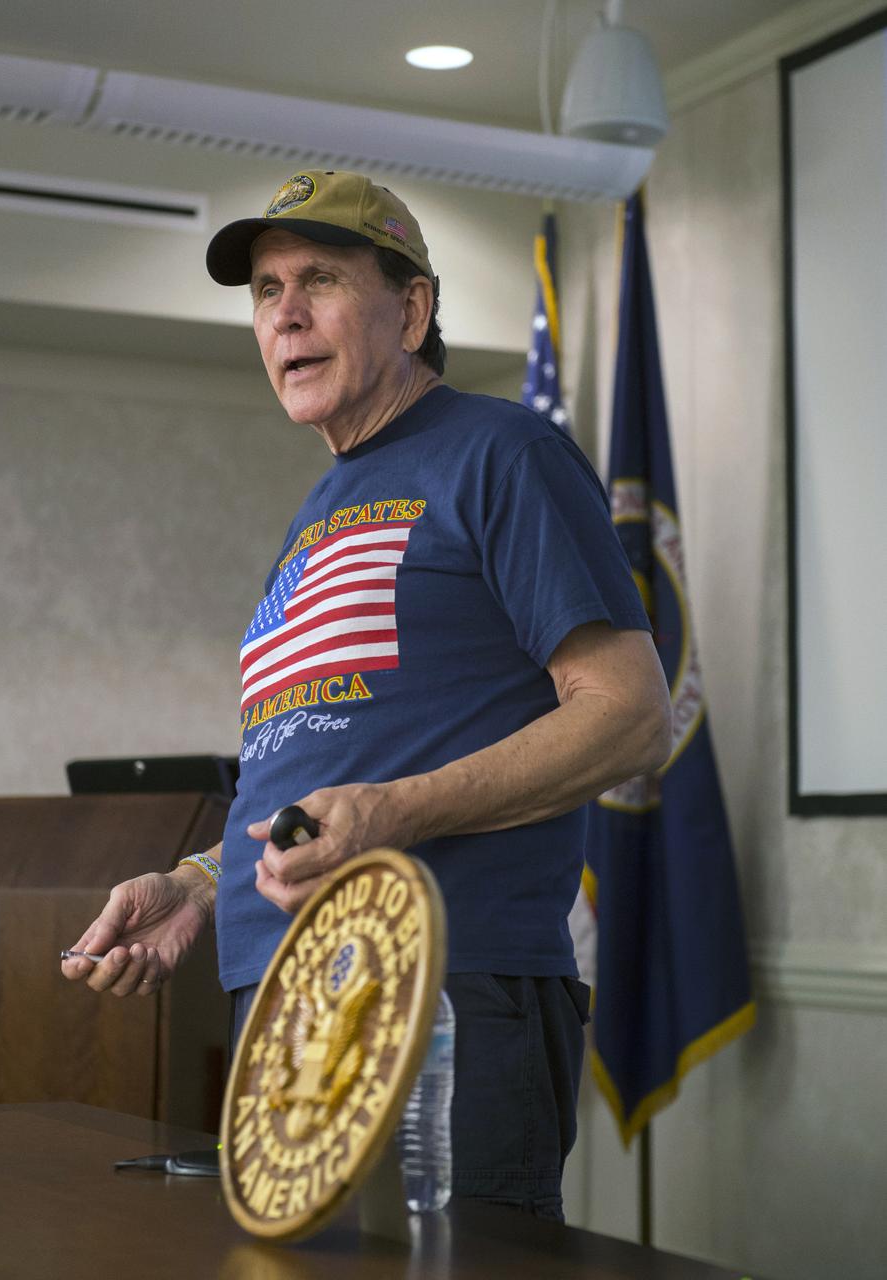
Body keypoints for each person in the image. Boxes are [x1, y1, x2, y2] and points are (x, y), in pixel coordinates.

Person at [63, 170, 671, 1218]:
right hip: (284, 1004)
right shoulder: (315, 514)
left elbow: (630, 714)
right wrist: (201, 883)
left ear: (413, 309)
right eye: (265, 290)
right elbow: (319, 767)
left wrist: (392, 813)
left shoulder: (504, 451)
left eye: (320, 280)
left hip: (441, 991)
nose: (284, 313)